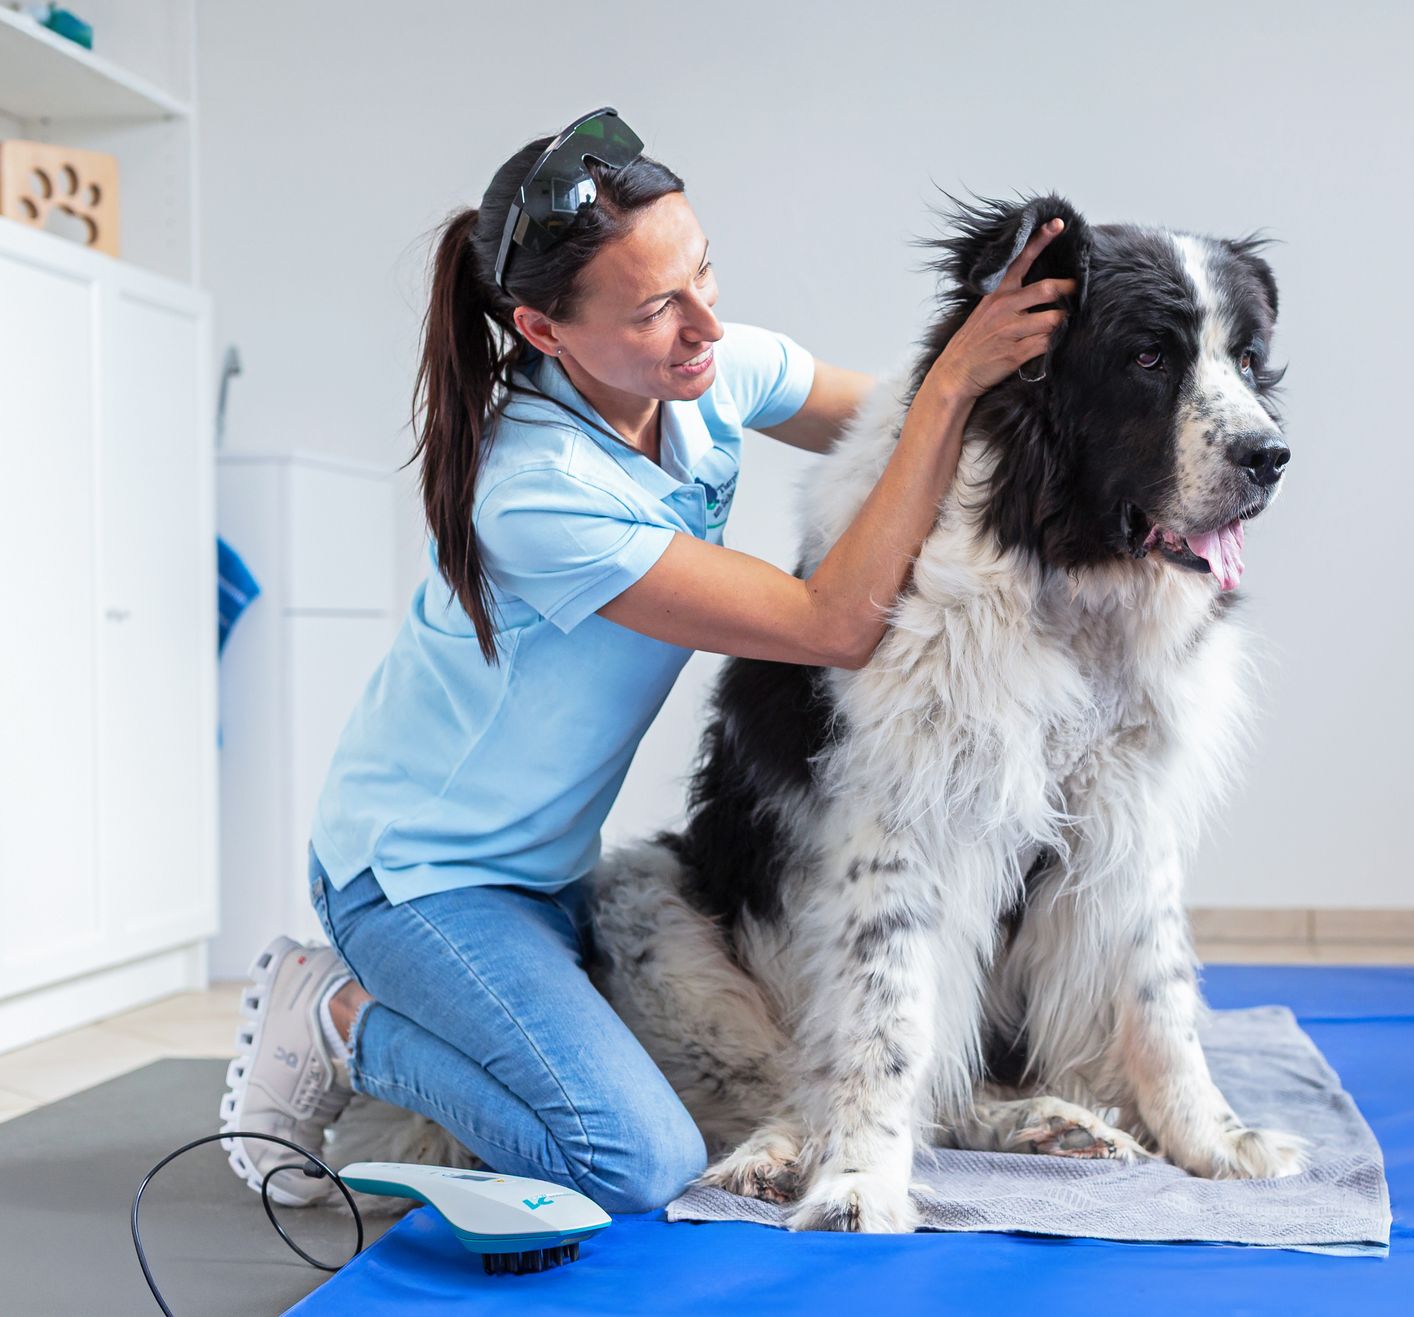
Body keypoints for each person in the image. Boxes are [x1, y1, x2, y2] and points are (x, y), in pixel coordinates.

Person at [216, 108, 1074, 1212]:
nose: (705, 322)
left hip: (553, 872)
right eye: (659, 305)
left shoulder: (705, 370)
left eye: (704, 270)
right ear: (543, 328)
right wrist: (954, 381)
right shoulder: (535, 496)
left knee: (672, 1089)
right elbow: (833, 622)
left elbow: (903, 440)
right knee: (630, 1160)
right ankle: (334, 1017)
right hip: (425, 881)